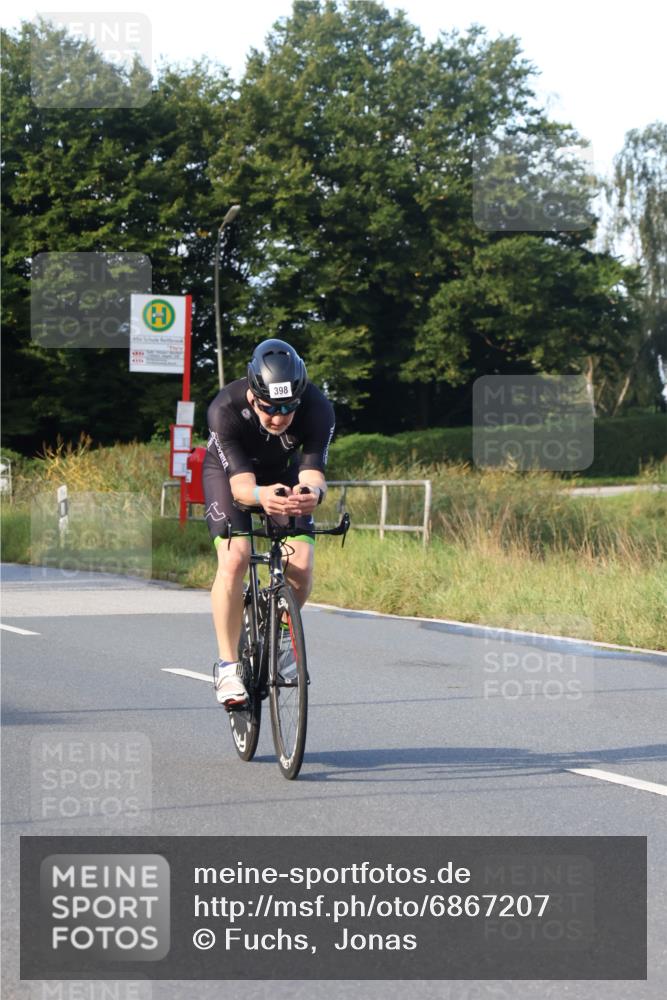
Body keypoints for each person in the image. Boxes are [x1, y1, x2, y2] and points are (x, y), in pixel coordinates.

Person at [203, 338, 335, 708]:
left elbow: (313, 472)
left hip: (284, 473)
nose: (278, 418)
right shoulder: (224, 408)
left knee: (302, 565)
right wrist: (264, 497)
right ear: (252, 397)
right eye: (268, 408)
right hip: (230, 477)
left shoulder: (318, 408)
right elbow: (243, 489)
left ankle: (277, 638)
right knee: (235, 556)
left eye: (288, 408)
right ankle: (228, 668)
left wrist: (311, 494)